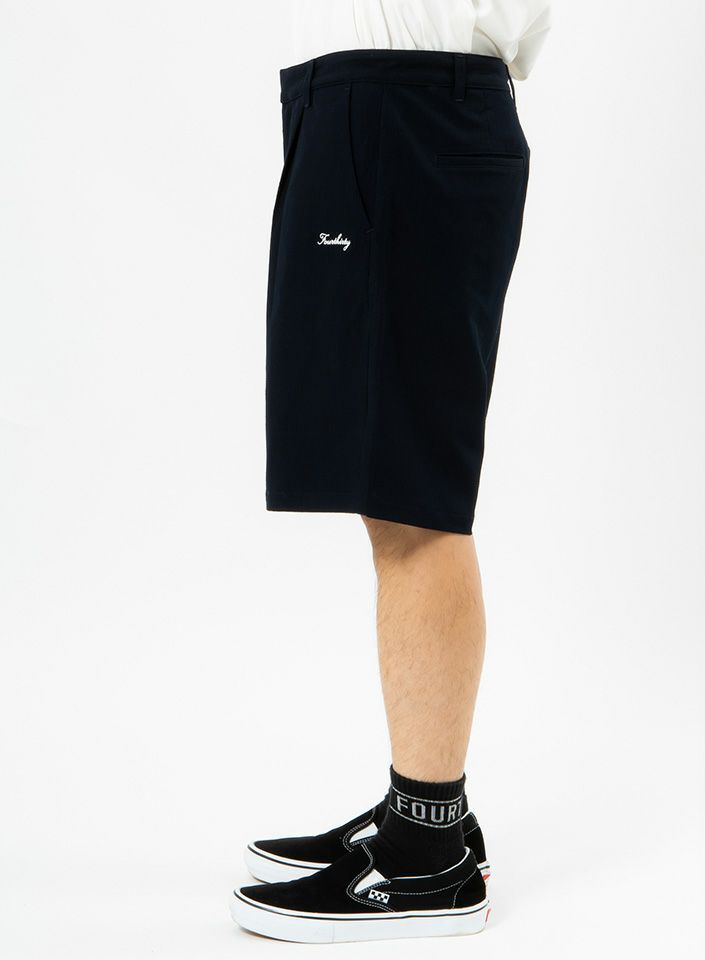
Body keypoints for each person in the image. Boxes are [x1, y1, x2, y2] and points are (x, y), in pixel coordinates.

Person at [230, 0, 551, 944]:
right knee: (389, 485)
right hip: (364, 107)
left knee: (414, 497)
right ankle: (422, 814)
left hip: (403, 109)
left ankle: (428, 856)